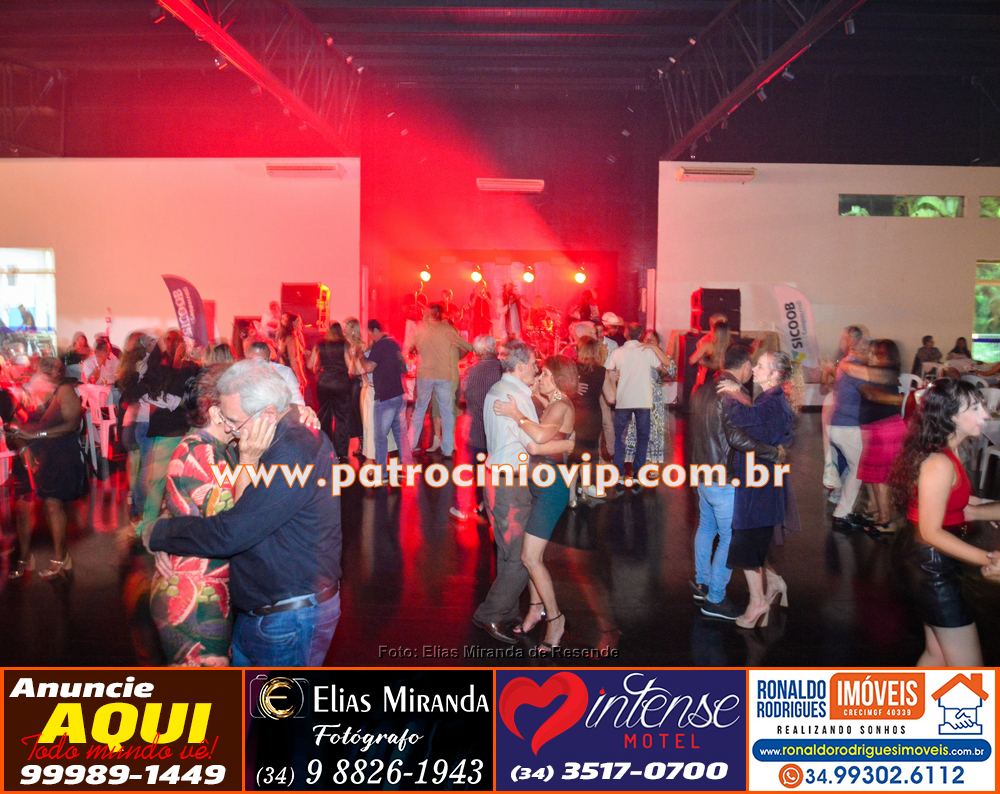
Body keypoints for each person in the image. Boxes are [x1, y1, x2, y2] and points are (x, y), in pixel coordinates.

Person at [145, 359, 342, 667]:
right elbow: (205, 503)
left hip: (288, 618)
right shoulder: (257, 438)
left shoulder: (292, 450)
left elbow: (231, 532)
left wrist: (161, 534)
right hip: (259, 613)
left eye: (234, 419)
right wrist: (172, 523)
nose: (229, 427)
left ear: (267, 413)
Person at [150, 365, 273, 666]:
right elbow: (233, 526)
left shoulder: (222, 448)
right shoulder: (200, 452)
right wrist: (249, 460)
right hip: (194, 599)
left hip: (210, 589)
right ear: (218, 413)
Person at [891, 378, 1000, 666]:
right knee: (969, 671)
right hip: (930, 566)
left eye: (982, 405)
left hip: (927, 560)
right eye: (974, 408)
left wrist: (987, 510)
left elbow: (959, 502)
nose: (985, 414)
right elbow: (930, 532)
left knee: (937, 654)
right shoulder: (939, 463)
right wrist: (989, 559)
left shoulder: (948, 452)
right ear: (950, 416)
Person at [690, 346, 784, 620]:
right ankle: (715, 599)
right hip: (723, 477)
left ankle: (702, 583)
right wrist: (773, 453)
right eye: (752, 367)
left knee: (706, 527)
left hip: (702, 472)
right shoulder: (733, 393)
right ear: (744, 367)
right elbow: (737, 438)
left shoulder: (703, 389)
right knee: (730, 538)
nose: (752, 372)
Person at [493, 355, 577, 652]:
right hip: (540, 482)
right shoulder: (553, 402)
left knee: (530, 557)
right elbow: (544, 440)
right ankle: (535, 609)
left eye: (545, 374)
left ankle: (556, 619)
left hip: (552, 487)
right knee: (531, 554)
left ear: (558, 379)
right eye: (539, 373)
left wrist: (516, 414)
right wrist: (564, 443)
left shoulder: (562, 405)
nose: (540, 377)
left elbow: (538, 438)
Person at [721, 351, 799, 629]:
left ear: (775, 375)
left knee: (748, 542)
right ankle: (773, 584)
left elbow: (742, 418)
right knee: (752, 539)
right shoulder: (770, 399)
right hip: (760, 480)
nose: (754, 368)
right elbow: (754, 420)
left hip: (759, 483)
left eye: (761, 366)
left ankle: (758, 603)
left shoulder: (773, 401)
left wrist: (732, 393)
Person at [471, 340, 539, 644]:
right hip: (511, 483)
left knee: (506, 551)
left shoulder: (498, 389)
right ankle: (490, 614)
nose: (537, 369)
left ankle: (507, 611)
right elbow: (535, 443)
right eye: (534, 364)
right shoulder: (516, 397)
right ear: (521, 365)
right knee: (523, 556)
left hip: (494, 479)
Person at [6, 358, 88, 579]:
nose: (46, 370)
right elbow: (12, 427)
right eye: (42, 366)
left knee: (52, 505)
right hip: (30, 454)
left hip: (59, 453)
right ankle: (24, 557)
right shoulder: (25, 394)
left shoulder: (64, 391)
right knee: (23, 507)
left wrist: (37, 434)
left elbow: (72, 425)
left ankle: (60, 557)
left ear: (59, 372)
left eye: (52, 367)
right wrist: (24, 448)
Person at [605, 322, 674, 488]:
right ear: (641, 335)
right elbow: (663, 368)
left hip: (623, 400)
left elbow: (607, 371)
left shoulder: (617, 352)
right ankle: (638, 473)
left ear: (626, 333)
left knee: (618, 436)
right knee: (643, 437)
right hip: (643, 400)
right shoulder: (647, 352)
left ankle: (619, 473)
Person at [408, 303, 472, 456]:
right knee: (447, 412)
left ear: (429, 314)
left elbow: (410, 347)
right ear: (440, 315)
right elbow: (466, 347)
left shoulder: (422, 329)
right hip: (444, 375)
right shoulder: (449, 329)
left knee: (420, 410)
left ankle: (410, 444)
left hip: (425, 375)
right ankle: (448, 448)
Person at [856, 339, 906, 532]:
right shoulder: (880, 373)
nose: (869, 356)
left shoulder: (884, 373)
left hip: (885, 429)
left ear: (885, 356)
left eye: (874, 353)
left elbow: (873, 396)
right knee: (878, 476)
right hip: (881, 428)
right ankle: (884, 515)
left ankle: (886, 520)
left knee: (880, 477)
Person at [359, 319, 413, 479]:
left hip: (385, 397)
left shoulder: (379, 346)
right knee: (400, 434)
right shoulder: (394, 344)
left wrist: (360, 355)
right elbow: (404, 368)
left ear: (374, 330)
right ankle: (406, 469)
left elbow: (368, 367)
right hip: (398, 395)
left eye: (369, 333)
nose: (369, 337)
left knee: (380, 437)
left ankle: (381, 473)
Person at [828, 333, 871, 531]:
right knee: (859, 469)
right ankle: (841, 513)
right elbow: (870, 394)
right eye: (868, 350)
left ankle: (839, 497)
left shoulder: (847, 364)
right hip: (847, 426)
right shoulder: (854, 367)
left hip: (840, 424)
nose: (870, 354)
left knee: (853, 465)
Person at [462, 334, 504, 512]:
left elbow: (465, 396)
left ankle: (481, 502)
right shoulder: (503, 369)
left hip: (478, 428)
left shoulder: (471, 371)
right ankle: (498, 503)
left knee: (479, 468)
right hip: (499, 429)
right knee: (498, 468)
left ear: (477, 350)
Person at [624, 329, 672, 465]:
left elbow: (669, 372)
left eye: (652, 339)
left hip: (655, 399)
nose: (649, 342)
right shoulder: (637, 354)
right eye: (646, 339)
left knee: (654, 431)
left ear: (657, 342)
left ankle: (651, 464)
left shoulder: (661, 356)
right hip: (639, 397)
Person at [310, 323, 354, 459]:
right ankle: (341, 453)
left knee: (324, 416)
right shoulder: (344, 345)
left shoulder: (320, 345)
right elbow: (350, 366)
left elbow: (312, 366)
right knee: (342, 418)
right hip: (341, 384)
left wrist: (320, 371)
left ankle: (325, 448)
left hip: (324, 384)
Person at [689, 316, 730, 393]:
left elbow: (692, 360)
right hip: (726, 380)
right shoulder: (731, 345)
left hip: (709, 380)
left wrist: (703, 361)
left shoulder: (708, 345)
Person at [277, 312, 307, 397]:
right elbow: (295, 360)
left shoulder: (282, 337)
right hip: (292, 375)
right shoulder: (292, 339)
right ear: (292, 323)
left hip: (284, 373)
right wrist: (301, 377)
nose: (301, 324)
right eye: (298, 322)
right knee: (297, 400)